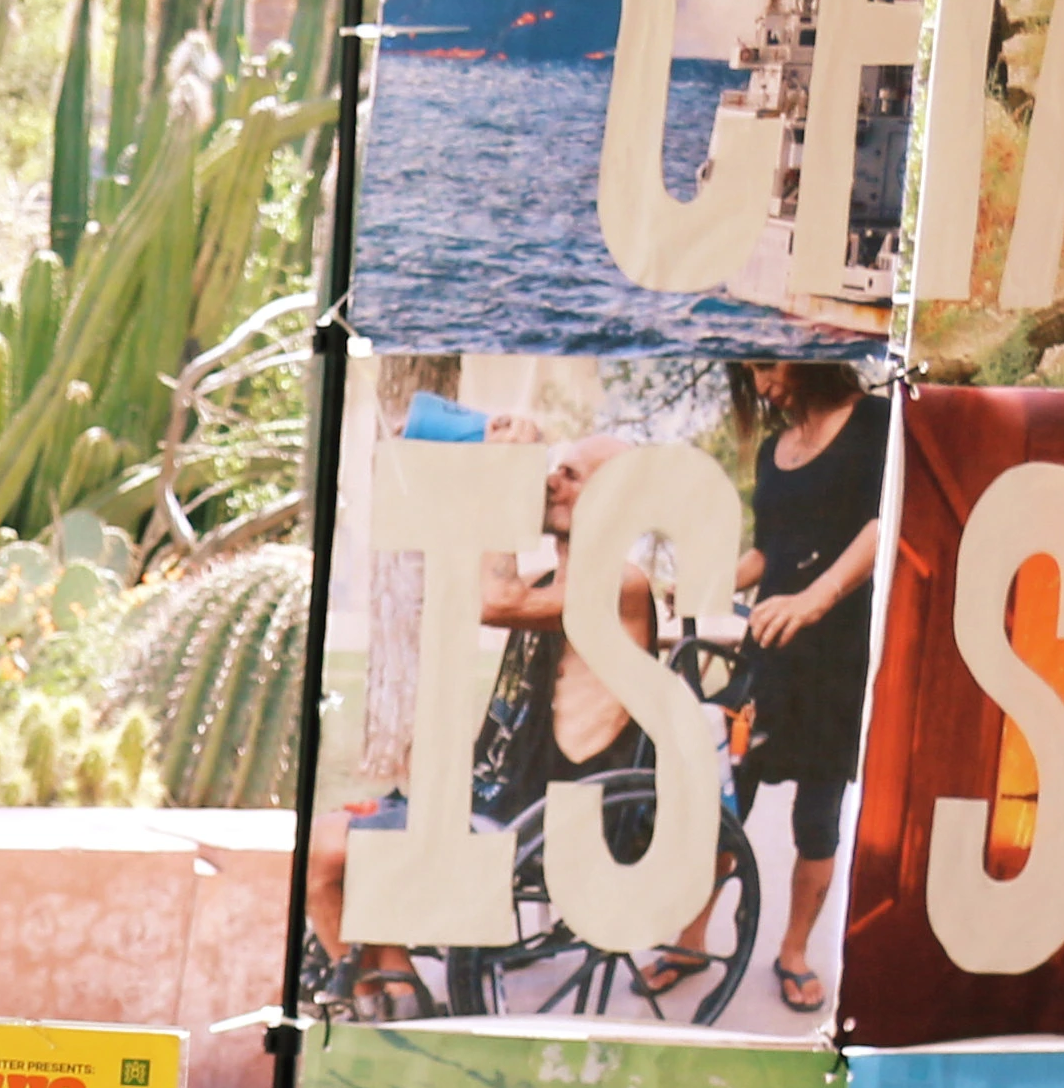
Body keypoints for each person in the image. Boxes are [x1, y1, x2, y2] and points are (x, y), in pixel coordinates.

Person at [307, 430, 660, 1017]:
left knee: (332, 851)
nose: (551, 481)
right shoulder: (553, 581)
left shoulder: (623, 583)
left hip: (556, 815)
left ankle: (390, 995)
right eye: (553, 469)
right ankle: (389, 988)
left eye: (573, 475)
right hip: (501, 797)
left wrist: (503, 474)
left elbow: (496, 601)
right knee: (326, 846)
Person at [731, 358, 890, 1018]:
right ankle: (691, 943)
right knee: (724, 796)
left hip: (836, 657)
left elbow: (886, 524)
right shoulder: (774, 451)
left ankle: (793, 952)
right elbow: (769, 549)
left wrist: (819, 597)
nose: (764, 388)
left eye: (768, 366)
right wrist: (709, 581)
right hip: (765, 652)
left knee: (816, 817)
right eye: (751, 374)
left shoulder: (877, 423)